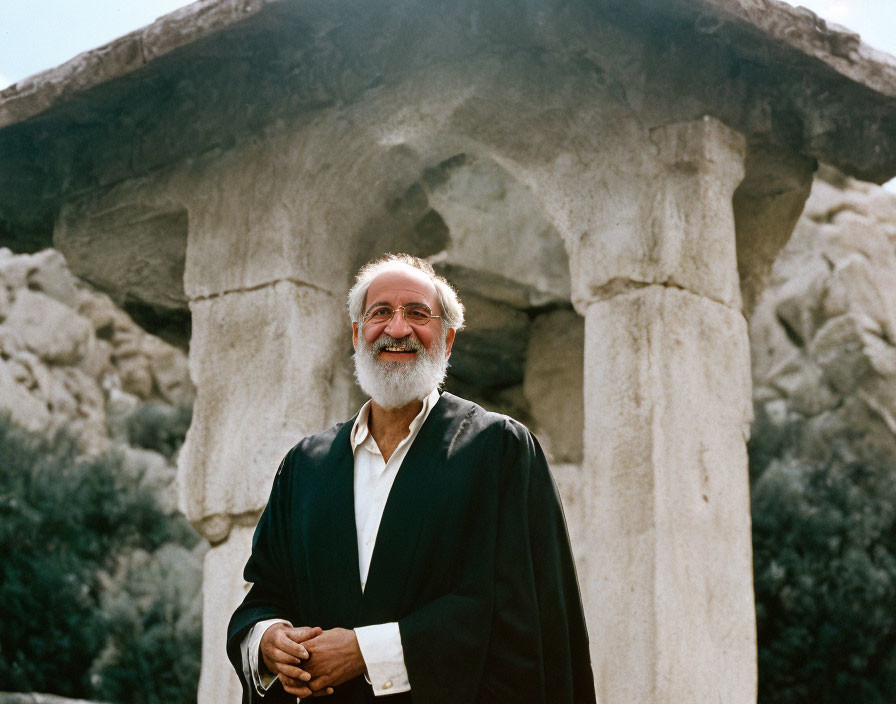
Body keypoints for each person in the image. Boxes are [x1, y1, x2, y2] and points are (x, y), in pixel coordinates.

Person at [226, 253, 595, 703]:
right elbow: (264, 593)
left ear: (448, 340)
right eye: (380, 312)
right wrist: (268, 640)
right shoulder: (306, 466)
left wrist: (367, 652)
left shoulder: (497, 450)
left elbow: (521, 616)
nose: (397, 329)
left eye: (418, 314)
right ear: (358, 334)